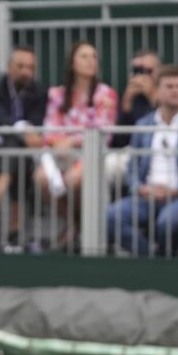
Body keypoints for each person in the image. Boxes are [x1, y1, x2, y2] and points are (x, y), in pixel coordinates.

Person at [106, 65, 178, 257]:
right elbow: (133, 166)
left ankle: (161, 260)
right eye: (169, 86)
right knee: (111, 216)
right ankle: (151, 257)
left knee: (167, 222)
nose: (175, 91)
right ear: (157, 90)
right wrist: (139, 188)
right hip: (146, 195)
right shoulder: (143, 124)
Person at [36, 41, 119, 247]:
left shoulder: (105, 94)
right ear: (72, 63)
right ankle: (74, 223)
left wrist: (70, 140)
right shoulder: (57, 94)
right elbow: (50, 128)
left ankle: (82, 228)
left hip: (89, 154)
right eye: (84, 56)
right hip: (59, 154)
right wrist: (59, 143)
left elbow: (103, 131)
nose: (91, 61)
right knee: (42, 179)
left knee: (73, 180)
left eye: (94, 57)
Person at [0, 46, 47, 242]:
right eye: (21, 66)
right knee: (14, 146)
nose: (26, 72)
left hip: (26, 151)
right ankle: (14, 228)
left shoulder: (39, 91)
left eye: (31, 67)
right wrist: (22, 129)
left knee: (16, 151)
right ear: (9, 67)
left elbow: (38, 121)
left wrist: (24, 133)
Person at [111, 49, 160, 149]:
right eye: (137, 71)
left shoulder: (169, 91)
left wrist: (153, 98)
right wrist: (126, 104)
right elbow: (119, 142)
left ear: (159, 71)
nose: (142, 76)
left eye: (148, 71)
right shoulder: (128, 96)